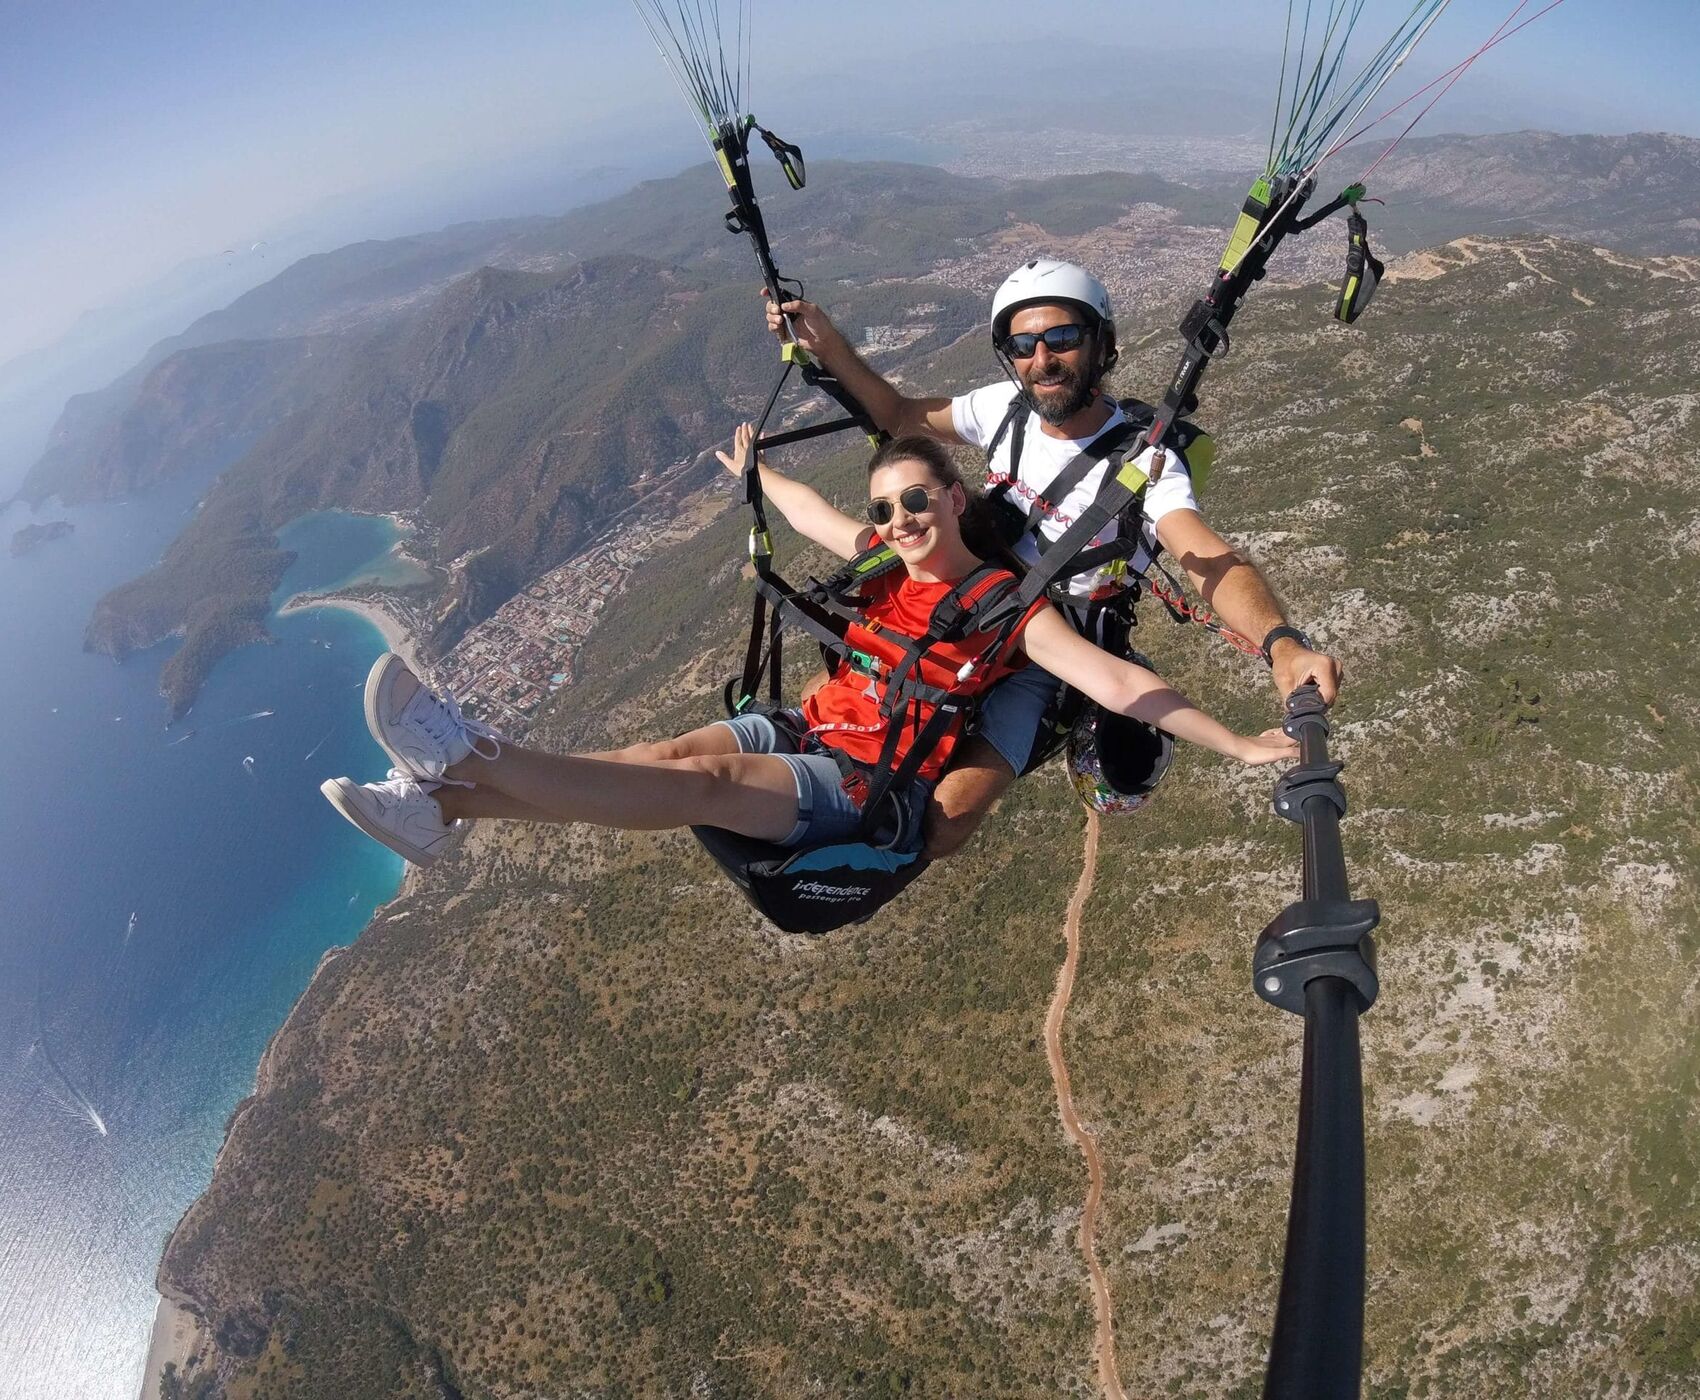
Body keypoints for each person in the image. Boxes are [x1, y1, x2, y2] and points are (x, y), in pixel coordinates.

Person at [320, 430, 1297, 868]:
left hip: (871, 779)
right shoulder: (881, 556)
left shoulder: (1003, 604)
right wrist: (756, 473)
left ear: (954, 499)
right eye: (888, 506)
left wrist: (1242, 743)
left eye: (918, 498)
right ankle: (442, 806)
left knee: (703, 786)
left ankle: (471, 752)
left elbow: (1117, 681)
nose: (901, 517)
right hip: (815, 724)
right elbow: (812, 513)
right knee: (657, 759)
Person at [762, 259, 1344, 857]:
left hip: (1046, 648)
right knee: (824, 707)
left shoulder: (1146, 466)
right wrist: (827, 345)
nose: (1043, 359)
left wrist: (1281, 642)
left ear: (1102, 345)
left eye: (1062, 338)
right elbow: (899, 415)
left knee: (946, 821)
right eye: (1024, 344)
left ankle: (851, 852)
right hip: (962, 598)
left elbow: (1209, 558)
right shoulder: (1001, 410)